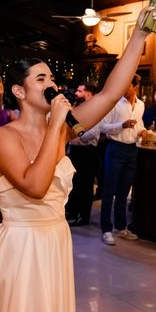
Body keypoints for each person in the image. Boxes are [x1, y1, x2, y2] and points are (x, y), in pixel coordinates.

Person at [0, 3, 156, 312]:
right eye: (40, 78)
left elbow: (110, 93)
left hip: (54, 243)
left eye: (51, 76)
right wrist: (58, 123)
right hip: (21, 249)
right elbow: (35, 185)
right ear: (18, 91)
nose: (50, 82)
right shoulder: (2, 138)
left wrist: (140, 35)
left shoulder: (61, 128)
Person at [98, 75, 146, 245]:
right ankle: (106, 229)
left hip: (132, 150)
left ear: (136, 87)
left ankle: (121, 227)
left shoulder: (141, 105)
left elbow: (139, 124)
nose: (123, 89)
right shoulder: (115, 104)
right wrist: (121, 125)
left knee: (124, 191)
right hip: (115, 148)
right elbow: (102, 126)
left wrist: (143, 132)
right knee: (109, 190)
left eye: (127, 86)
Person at [66, 83, 101, 227]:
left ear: (88, 94)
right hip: (75, 150)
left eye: (79, 91)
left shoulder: (97, 109)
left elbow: (92, 134)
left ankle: (83, 216)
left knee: (85, 185)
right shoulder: (77, 107)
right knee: (73, 183)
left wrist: (76, 135)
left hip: (87, 151)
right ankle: (72, 212)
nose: (76, 93)